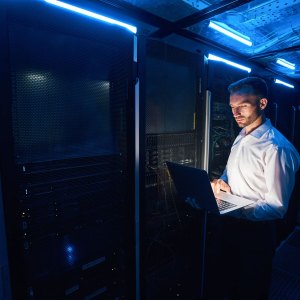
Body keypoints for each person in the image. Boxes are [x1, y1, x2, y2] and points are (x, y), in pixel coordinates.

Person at [207, 77, 300, 300]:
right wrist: (220, 183)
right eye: (232, 107)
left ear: (263, 104)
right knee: (227, 284)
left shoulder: (277, 148)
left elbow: (277, 207)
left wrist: (235, 208)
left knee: (251, 290)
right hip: (229, 225)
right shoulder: (242, 135)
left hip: (255, 235)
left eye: (243, 106)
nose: (235, 112)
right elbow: (231, 172)